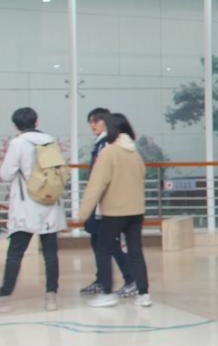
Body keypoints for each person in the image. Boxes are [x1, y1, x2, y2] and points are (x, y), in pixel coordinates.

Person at [77, 113, 152, 309]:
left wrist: (82, 213)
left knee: (103, 249)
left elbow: (96, 184)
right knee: (136, 252)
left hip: (114, 211)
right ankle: (144, 294)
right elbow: (142, 175)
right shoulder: (135, 153)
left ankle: (107, 293)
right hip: (136, 211)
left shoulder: (109, 152)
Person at [0, 107, 66, 312]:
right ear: (36, 122)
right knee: (50, 254)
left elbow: (6, 174)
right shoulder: (50, 140)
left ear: (16, 126)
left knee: (15, 253)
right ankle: (51, 297)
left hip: (26, 206)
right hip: (50, 204)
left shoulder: (18, 143)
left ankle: (4, 296)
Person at [79, 107, 135, 298]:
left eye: (97, 121)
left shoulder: (108, 144)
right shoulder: (100, 144)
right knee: (97, 241)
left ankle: (130, 279)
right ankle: (102, 279)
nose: (92, 125)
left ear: (107, 122)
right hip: (99, 203)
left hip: (108, 204)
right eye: (90, 122)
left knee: (111, 243)